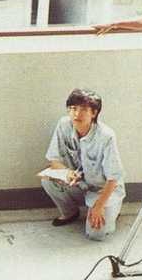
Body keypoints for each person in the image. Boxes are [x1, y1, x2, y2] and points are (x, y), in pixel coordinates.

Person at [40, 88, 125, 241]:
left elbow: (114, 178)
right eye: (73, 109)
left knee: (96, 234)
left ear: (94, 113)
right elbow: (54, 160)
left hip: (103, 190)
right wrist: (68, 172)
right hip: (79, 183)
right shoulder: (64, 125)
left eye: (84, 110)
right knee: (48, 180)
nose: (77, 114)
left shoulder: (106, 136)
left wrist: (99, 206)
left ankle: (112, 209)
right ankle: (70, 212)